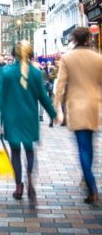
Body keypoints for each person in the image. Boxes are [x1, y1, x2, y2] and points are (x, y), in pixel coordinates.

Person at [0, 40, 56, 200]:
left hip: (11, 117)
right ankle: (30, 178)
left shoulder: (6, 72)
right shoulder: (35, 73)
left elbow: (1, 97)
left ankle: (19, 186)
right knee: (29, 149)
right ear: (30, 54)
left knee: (15, 152)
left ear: (13, 54)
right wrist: (53, 114)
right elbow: (42, 96)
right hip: (29, 117)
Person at [54, 27, 102, 204]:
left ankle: (92, 187)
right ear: (89, 38)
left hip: (76, 106)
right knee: (89, 146)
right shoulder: (98, 58)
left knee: (83, 147)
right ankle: (87, 177)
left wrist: (56, 107)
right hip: (93, 106)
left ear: (74, 39)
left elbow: (60, 85)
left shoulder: (67, 58)